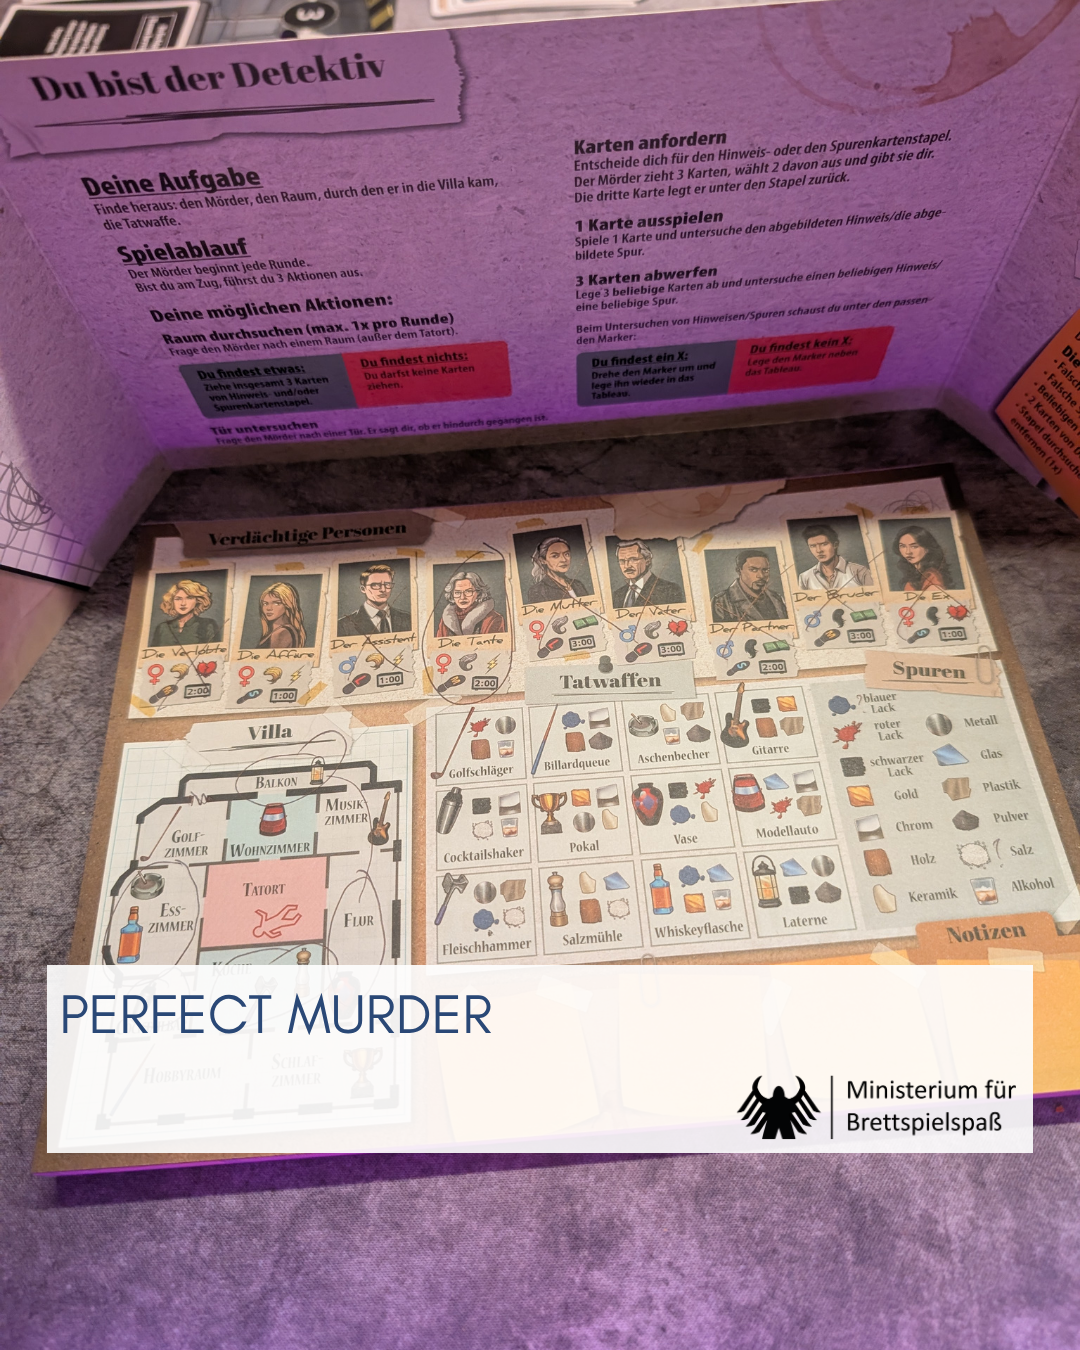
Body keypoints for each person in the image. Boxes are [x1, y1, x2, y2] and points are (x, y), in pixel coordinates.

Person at [712, 550, 789, 622]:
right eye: (753, 570)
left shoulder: (777, 598)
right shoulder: (721, 602)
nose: (761, 576)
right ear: (739, 571)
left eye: (765, 570)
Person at [796, 522, 873, 590]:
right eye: (812, 546)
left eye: (824, 544)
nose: (819, 550)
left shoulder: (860, 572)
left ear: (835, 545)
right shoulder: (804, 577)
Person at [338, 565, 410, 635]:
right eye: (375, 585)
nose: (383, 589)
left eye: (387, 584)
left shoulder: (408, 618)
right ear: (363, 589)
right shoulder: (343, 625)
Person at [611, 539, 685, 608]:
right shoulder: (616, 595)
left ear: (647, 560)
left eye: (633, 559)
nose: (627, 566)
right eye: (622, 561)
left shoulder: (669, 590)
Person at [151, 579, 220, 646]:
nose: (183, 603)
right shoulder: (163, 627)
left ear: (198, 601)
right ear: (171, 602)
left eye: (189, 598)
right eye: (178, 599)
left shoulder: (207, 625)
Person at [437, 570, 507, 636]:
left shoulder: (493, 618)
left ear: (479, 593)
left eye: (468, 591)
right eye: (457, 592)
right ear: (452, 594)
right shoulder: (446, 619)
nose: (462, 597)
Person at [526, 536, 591, 603]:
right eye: (555, 556)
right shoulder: (537, 590)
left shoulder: (578, 584)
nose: (564, 560)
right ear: (542, 560)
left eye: (566, 554)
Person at [893, 525, 953, 591]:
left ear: (927, 549)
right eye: (903, 546)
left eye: (914, 546)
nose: (908, 552)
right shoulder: (916, 573)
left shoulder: (931, 576)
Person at [256, 581, 307, 648]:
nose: (269, 608)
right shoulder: (279, 630)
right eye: (265, 603)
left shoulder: (281, 633)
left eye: (276, 603)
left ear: (287, 605)